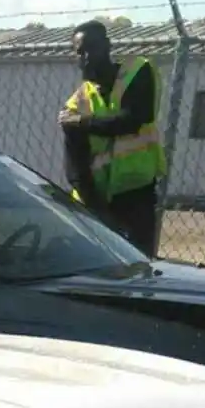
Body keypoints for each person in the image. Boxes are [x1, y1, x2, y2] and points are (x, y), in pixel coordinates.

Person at [59, 20, 166, 255]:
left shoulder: (137, 73)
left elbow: (134, 118)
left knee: (139, 264)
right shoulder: (76, 105)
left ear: (107, 46)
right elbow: (76, 171)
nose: (86, 58)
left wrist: (82, 123)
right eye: (79, 53)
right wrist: (101, 216)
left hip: (136, 193)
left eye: (92, 49)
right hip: (93, 202)